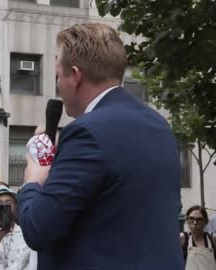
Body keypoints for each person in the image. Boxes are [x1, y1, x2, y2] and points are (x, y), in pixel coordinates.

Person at [18, 23, 183, 270]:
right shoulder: (159, 125)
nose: (58, 85)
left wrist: (33, 179)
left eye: (58, 76)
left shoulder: (86, 133)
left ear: (74, 76)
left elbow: (37, 229)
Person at [181, 205, 216, 270]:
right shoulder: (183, 238)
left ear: (206, 221)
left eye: (199, 219)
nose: (195, 223)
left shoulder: (213, 238)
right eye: (191, 218)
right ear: (187, 220)